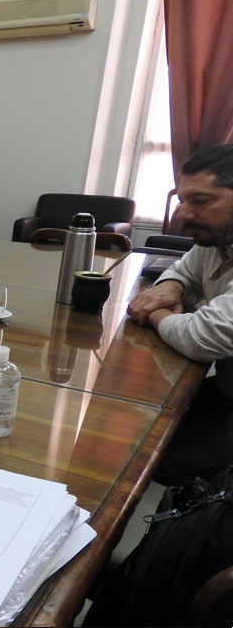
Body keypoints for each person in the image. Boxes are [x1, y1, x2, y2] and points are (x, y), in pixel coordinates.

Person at [127, 144, 233, 485]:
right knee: (138, 421)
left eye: (200, 201)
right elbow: (183, 269)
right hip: (227, 388)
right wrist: (171, 287)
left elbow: (199, 338)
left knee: (155, 458)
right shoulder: (217, 239)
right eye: (183, 200)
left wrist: (153, 313)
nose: (183, 214)